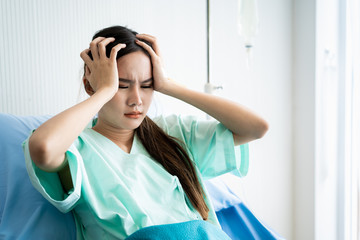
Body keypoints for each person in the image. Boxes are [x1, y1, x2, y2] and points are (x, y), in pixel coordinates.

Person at [23, 25, 268, 239]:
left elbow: (256, 128)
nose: (137, 100)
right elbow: (43, 148)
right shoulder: (77, 148)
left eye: (147, 86)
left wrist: (169, 85)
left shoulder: (173, 133)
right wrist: (104, 90)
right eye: (121, 85)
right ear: (91, 85)